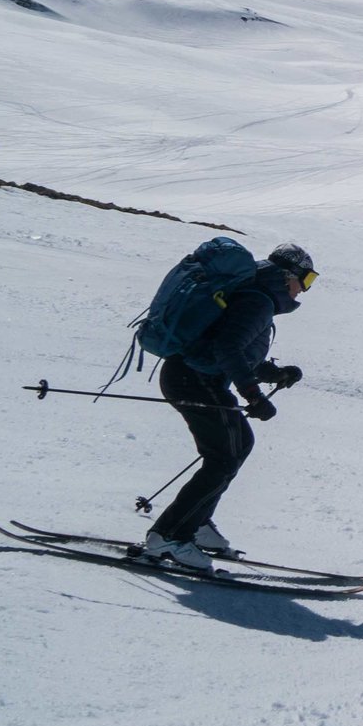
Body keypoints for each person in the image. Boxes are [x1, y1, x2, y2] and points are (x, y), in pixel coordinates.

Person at [141, 243, 315, 569]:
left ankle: (197, 523)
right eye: (307, 279)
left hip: (191, 376)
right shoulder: (259, 300)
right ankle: (170, 536)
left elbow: (235, 351)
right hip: (194, 380)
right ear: (289, 275)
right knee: (225, 455)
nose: (303, 289)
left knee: (233, 448)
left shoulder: (254, 294)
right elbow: (226, 348)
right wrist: (253, 395)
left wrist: (273, 373)